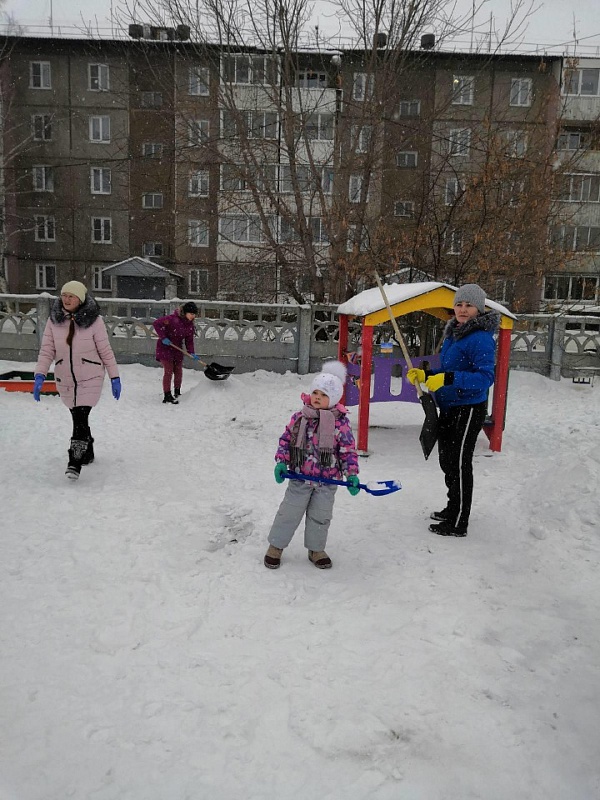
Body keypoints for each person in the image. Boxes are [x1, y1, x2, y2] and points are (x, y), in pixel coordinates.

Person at [407, 283, 500, 537]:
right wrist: (426, 374)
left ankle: (459, 522)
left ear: (478, 309)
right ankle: (452, 507)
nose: (462, 309)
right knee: (447, 459)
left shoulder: (480, 338)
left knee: (459, 463)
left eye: (468, 305)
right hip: (448, 405)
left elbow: (484, 378)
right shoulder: (454, 334)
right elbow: (446, 369)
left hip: (468, 408)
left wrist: (448, 380)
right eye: (459, 304)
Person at [264, 361, 360, 570]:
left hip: (327, 481)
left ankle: (316, 549)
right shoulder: (301, 417)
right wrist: (281, 462)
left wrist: (351, 474)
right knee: (289, 513)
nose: (317, 397)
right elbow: (286, 440)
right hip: (299, 476)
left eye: (324, 394)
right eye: (315, 392)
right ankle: (276, 546)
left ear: (333, 399)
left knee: (321, 516)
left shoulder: (340, 423)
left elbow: (347, 451)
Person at [33, 280, 121, 480]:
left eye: (71, 296)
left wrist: (114, 376)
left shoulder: (94, 321)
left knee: (80, 416)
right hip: (65, 378)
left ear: (80, 299)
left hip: (90, 375)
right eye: (64, 295)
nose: (66, 299)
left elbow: (105, 350)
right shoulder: (54, 321)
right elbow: (47, 351)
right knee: (78, 417)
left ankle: (75, 460)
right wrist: (40, 374)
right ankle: (87, 449)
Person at [153, 302, 199, 404]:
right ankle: (167, 395)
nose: (193, 316)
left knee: (178, 372)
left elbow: (189, 340)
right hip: (165, 348)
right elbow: (156, 324)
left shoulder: (189, 325)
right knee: (168, 371)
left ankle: (177, 392)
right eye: (191, 313)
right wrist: (163, 337)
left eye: (194, 314)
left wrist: (191, 352)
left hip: (177, 349)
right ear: (185, 312)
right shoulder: (172, 319)